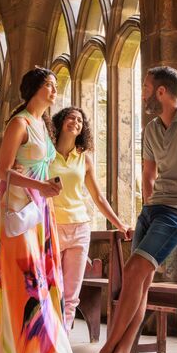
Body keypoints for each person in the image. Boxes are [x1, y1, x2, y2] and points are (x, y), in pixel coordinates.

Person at [63, 65, 177, 353]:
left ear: (161, 92)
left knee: (134, 272)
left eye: (146, 87)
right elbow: (148, 176)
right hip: (153, 211)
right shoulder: (151, 128)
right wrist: (147, 208)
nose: (143, 92)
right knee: (141, 283)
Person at [0, 67, 74, 353]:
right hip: (16, 210)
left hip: (39, 210)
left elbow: (37, 169)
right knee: (20, 277)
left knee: (41, 278)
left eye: (56, 85)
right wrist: (41, 187)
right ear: (34, 88)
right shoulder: (19, 123)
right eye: (50, 85)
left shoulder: (43, 125)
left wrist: (50, 186)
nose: (54, 91)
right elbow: (2, 171)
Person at [50, 106, 129, 333]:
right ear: (60, 122)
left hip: (79, 228)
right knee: (51, 288)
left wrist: (119, 224)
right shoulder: (46, 153)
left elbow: (98, 197)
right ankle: (47, 343)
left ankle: (62, 346)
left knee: (71, 294)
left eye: (80, 120)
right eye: (70, 118)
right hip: (52, 227)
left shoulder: (84, 159)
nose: (75, 122)